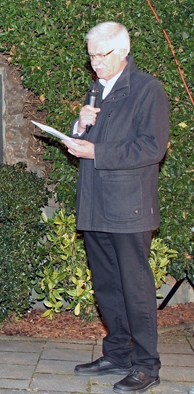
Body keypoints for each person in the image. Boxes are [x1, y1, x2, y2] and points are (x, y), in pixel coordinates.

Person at [62, 21, 170, 394]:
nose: (94, 63)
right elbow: (84, 144)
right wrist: (79, 126)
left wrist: (98, 151)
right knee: (106, 286)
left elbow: (152, 148)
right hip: (95, 203)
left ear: (123, 51)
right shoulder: (96, 90)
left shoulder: (147, 90)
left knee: (134, 287)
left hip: (129, 207)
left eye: (101, 55)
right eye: (90, 55)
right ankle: (118, 354)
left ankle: (146, 365)